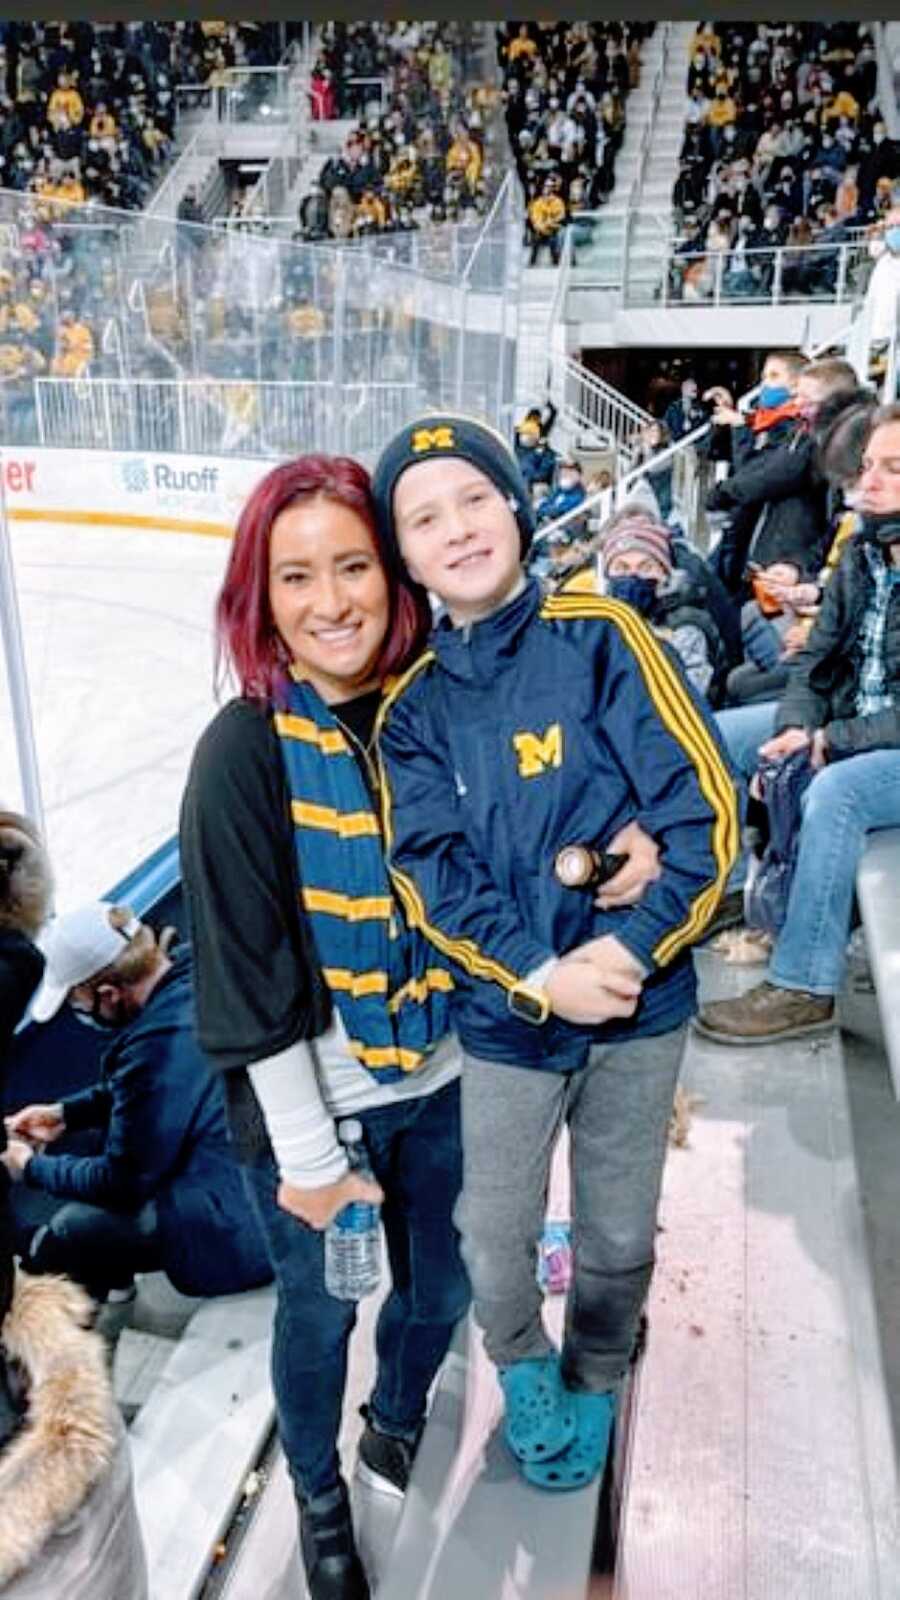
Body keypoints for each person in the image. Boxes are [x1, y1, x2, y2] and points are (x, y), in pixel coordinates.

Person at [178, 454, 661, 1593]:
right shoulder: (241, 756)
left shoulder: (444, 706)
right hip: (318, 1115)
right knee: (320, 1311)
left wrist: (624, 849)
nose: (331, 600)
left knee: (441, 1288)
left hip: (452, 1075)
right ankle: (316, 1490)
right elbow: (246, 985)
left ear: (394, 579)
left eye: (353, 566)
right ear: (262, 595)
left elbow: (550, 827)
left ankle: (398, 1414)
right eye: (297, 577)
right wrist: (309, 1161)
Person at [370, 415, 738, 1494]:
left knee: (620, 1227)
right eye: (424, 517)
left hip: (643, 1010)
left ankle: (598, 1362)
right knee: (492, 1233)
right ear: (406, 556)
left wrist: (625, 949)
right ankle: (525, 1363)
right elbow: (435, 876)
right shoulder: (413, 713)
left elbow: (705, 812)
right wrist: (543, 972)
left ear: (518, 507)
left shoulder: (606, 640)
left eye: (474, 498)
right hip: (509, 1027)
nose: (458, 528)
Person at [698, 404, 900, 1045]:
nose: (867, 483)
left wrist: (826, 742)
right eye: (868, 467)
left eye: (892, 469)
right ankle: (731, 889)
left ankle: (804, 986)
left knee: (838, 792)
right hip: (850, 723)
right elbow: (816, 657)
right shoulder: (866, 553)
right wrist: (795, 725)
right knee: (715, 737)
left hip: (879, 747)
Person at [2, 902, 272, 1310]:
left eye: (77, 1001)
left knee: (70, 1229)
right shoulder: (193, 981)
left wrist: (29, 1168)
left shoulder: (153, 1053)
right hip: (255, 1179)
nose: (79, 1013)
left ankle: (77, 1304)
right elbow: (156, 1098)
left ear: (108, 994)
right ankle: (113, 1277)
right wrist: (65, 1114)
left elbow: (120, 1182)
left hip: (240, 1232)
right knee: (95, 1140)